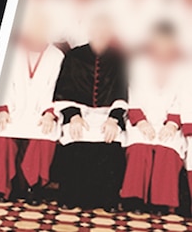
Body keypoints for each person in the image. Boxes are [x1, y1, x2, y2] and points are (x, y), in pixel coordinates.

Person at [0, 6, 65, 204]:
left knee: (45, 134)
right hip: (13, 110)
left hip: (41, 112)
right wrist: (2, 110)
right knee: (2, 134)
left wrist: (49, 113)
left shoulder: (57, 56)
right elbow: (3, 84)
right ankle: (1, 188)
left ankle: (33, 187)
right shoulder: (11, 51)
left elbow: (56, 88)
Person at [51, 15, 128, 210]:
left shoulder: (119, 58)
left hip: (108, 114)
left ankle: (107, 199)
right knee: (74, 133)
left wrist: (114, 119)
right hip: (79, 112)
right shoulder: (75, 56)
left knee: (111, 137)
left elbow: (123, 91)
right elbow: (64, 89)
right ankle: (71, 197)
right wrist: (73, 115)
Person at [119, 23, 185, 215]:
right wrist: (141, 122)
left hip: (169, 124)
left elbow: (183, 98)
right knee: (140, 147)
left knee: (167, 149)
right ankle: (134, 199)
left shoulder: (184, 66)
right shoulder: (138, 64)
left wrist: (172, 124)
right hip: (142, 121)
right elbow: (132, 94)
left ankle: (161, 202)